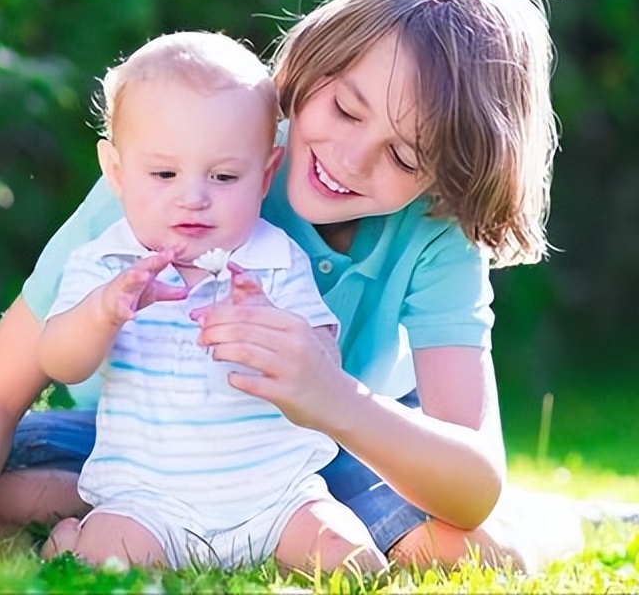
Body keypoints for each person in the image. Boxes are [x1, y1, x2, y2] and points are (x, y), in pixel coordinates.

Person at [0, 0, 626, 573]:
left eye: (405, 155)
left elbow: (470, 476)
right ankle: (94, 508)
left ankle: (564, 518)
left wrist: (332, 398)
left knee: (484, 549)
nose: (350, 159)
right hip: (133, 445)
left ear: (450, 176)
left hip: (314, 461)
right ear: (312, 63)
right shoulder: (191, 166)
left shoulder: (435, 235)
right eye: (345, 109)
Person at [34, 31, 385, 573]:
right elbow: (59, 362)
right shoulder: (107, 263)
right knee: (104, 561)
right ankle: (70, 538)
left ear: (265, 174)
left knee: (353, 561)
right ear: (117, 173)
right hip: (150, 502)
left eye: (224, 176)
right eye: (164, 174)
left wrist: (273, 329)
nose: (193, 196)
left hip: (278, 498)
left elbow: (325, 364)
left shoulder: (275, 261)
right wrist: (103, 313)